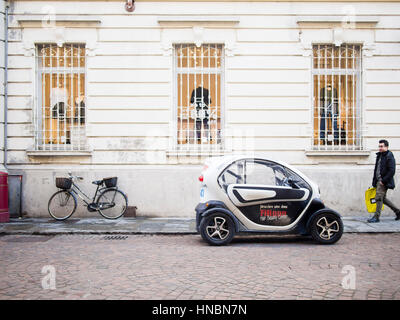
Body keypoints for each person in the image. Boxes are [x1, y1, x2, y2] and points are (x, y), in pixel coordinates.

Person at [368, 139, 400, 223]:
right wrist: (374, 181)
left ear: (386, 147)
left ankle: (376, 217)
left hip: (383, 181)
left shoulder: (389, 156)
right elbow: (376, 169)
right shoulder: (380, 155)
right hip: (379, 180)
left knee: (378, 198)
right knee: (383, 198)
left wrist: (383, 181)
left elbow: (392, 170)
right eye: (379, 146)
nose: (380, 148)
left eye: (381, 146)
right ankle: (398, 212)